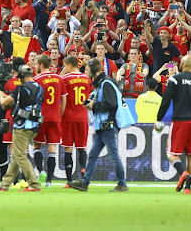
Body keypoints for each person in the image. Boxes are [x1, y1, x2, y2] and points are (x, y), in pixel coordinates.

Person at [67, 59, 128, 192]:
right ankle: (85, 182)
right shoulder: (102, 83)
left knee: (113, 155)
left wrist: (93, 105)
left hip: (109, 125)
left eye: (87, 69)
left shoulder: (106, 83)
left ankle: (122, 183)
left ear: (95, 69)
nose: (85, 71)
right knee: (93, 154)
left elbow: (111, 104)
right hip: (104, 126)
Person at [155, 54, 191, 194]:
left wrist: (159, 118)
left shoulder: (175, 79)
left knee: (171, 153)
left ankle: (182, 172)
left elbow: (166, 100)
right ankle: (188, 188)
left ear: (183, 65)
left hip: (180, 121)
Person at [0, 64, 44, 192]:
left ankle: (34, 184)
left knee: (20, 155)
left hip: (22, 125)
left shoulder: (21, 89)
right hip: (35, 125)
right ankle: (5, 184)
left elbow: (4, 103)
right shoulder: (40, 88)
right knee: (15, 156)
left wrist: (1, 95)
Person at [32, 54, 66, 187]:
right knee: (52, 148)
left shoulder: (36, 79)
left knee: (37, 145)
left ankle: (41, 172)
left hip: (40, 117)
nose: (35, 66)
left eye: (36, 64)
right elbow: (63, 99)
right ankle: (49, 181)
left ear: (41, 65)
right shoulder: (59, 79)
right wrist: (60, 115)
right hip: (55, 117)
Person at [60, 56, 92, 186]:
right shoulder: (87, 79)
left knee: (68, 148)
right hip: (83, 117)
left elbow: (63, 100)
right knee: (81, 147)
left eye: (64, 66)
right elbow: (88, 99)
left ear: (68, 65)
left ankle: (69, 181)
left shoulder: (65, 79)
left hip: (68, 117)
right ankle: (83, 169)